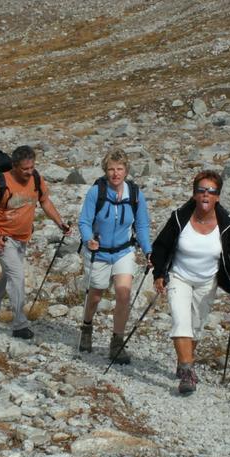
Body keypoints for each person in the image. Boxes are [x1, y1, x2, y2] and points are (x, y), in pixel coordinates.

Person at [151, 170, 230, 395]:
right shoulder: (180, 218)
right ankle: (187, 372)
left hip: (207, 281)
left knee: (196, 327)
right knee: (181, 321)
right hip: (179, 277)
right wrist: (159, 274)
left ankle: (183, 360)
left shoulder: (226, 223)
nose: (206, 194)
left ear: (217, 197)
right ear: (194, 194)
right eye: (201, 190)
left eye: (211, 191)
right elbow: (161, 246)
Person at [0, 145, 71, 339]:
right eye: (24, 169)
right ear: (14, 166)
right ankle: (20, 325)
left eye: (32, 167)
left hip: (22, 237)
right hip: (3, 237)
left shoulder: (36, 178)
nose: (29, 172)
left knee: (9, 276)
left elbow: (45, 201)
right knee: (17, 277)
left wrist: (60, 222)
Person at [78, 148, 152, 364]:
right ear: (105, 170)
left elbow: (142, 225)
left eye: (120, 169)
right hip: (98, 252)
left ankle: (117, 342)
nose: (115, 173)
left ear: (126, 170)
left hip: (123, 251)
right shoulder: (96, 192)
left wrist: (148, 250)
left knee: (123, 294)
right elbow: (84, 221)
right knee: (95, 297)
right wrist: (88, 239)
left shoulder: (135, 195)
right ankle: (87, 327)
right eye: (111, 169)